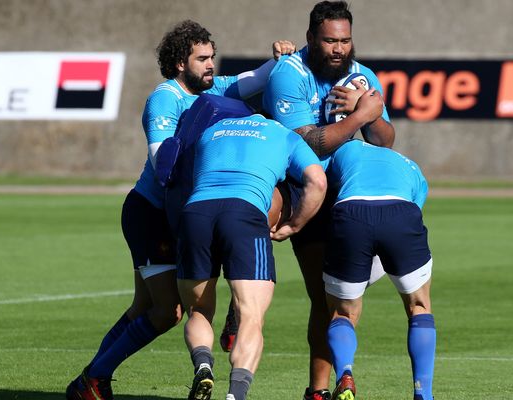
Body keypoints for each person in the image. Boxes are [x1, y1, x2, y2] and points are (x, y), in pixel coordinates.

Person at [65, 20, 296, 400]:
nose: (211, 65)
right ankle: (93, 378)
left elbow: (254, 79)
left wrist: (284, 58)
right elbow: (163, 165)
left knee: (144, 305)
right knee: (166, 311)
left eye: (212, 57)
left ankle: (93, 381)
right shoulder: (166, 98)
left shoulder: (213, 89)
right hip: (153, 213)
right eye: (202, 58)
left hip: (187, 210)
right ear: (179, 64)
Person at [260, 2, 395, 398]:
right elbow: (309, 143)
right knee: (323, 296)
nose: (339, 48)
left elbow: (385, 142)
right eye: (330, 40)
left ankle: (327, 386)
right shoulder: (290, 74)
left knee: (342, 300)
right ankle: (317, 391)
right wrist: (356, 118)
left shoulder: (362, 76)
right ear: (311, 39)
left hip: (347, 195)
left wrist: (369, 113)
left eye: (345, 40)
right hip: (301, 189)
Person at [177, 108, 327, 400]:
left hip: (196, 212)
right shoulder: (283, 134)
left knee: (198, 311)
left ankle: (203, 364)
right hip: (244, 213)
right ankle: (236, 394)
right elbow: (317, 181)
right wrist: (295, 224)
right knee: (251, 316)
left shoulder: (212, 131)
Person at [321, 139, 435, 400]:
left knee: (342, 313)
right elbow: (411, 215)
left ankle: (345, 375)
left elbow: (320, 185)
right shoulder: (412, 167)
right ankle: (423, 393)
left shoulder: (341, 151)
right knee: (419, 305)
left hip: (350, 213)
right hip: (401, 212)